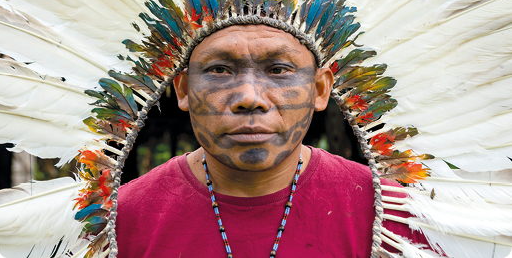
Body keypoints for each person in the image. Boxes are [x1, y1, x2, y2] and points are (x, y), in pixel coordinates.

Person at [116, 24, 429, 257]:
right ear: (183, 90)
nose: (250, 98)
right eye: (220, 70)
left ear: (320, 90)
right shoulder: (121, 217)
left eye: (279, 69)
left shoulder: (392, 216)